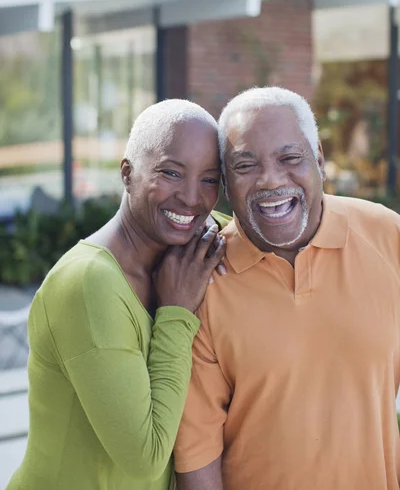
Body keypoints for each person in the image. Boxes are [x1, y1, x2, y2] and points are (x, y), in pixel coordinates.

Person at [174, 87, 400, 490]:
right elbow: (197, 452)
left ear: (319, 161)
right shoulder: (203, 280)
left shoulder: (387, 235)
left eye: (289, 158)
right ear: (225, 182)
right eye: (245, 165)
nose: (271, 180)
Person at [6, 99, 229, 490]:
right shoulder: (89, 284)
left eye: (210, 179)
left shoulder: (190, 250)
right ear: (127, 173)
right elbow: (145, 458)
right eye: (171, 173)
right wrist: (176, 312)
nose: (192, 198)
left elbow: (263, 233)